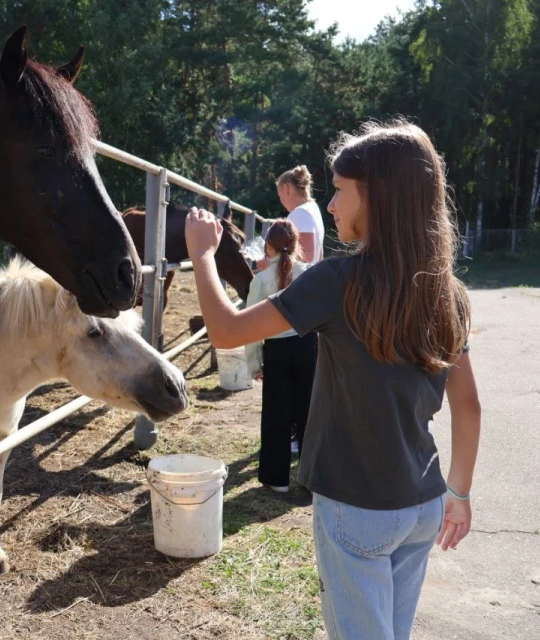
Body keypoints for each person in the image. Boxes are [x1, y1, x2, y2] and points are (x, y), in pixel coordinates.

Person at [185, 120, 481, 640]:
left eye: (341, 191)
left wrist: (203, 255)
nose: (330, 206)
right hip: (424, 503)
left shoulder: (336, 282)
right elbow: (469, 406)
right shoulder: (449, 292)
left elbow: (227, 332)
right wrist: (459, 491)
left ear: (378, 198)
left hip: (356, 506)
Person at [242, 219, 315, 493]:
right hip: (308, 346)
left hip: (275, 351)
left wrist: (254, 364)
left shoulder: (260, 281)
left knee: (276, 414)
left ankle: (276, 479)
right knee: (309, 412)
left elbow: (249, 326)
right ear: (296, 245)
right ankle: (311, 478)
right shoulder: (308, 273)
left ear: (268, 246)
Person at [253, 165, 326, 272]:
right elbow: (318, 254)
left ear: (286, 189)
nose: (280, 200)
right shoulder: (312, 208)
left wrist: (269, 263)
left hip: (300, 282)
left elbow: (306, 257)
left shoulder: (300, 213)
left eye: (279, 195)